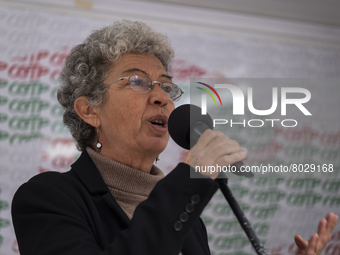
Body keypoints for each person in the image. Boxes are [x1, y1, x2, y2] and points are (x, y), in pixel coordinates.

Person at [11, 20, 337, 255]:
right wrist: (188, 182)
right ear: (89, 110)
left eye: (166, 86)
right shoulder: (48, 199)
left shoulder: (187, 216)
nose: (161, 97)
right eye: (137, 82)